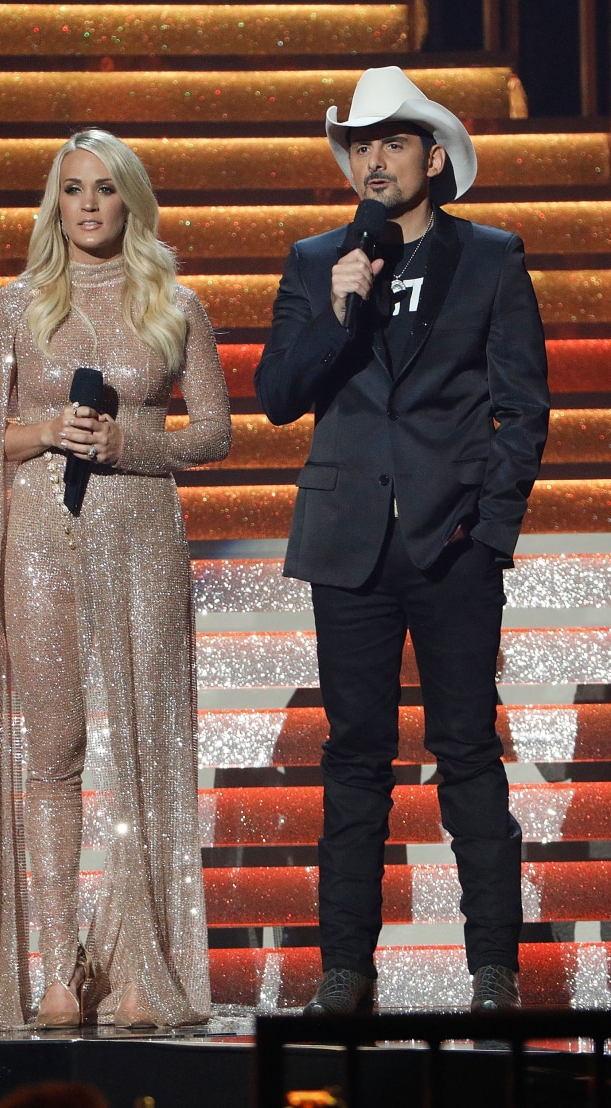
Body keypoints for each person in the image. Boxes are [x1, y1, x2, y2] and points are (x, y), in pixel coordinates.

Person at [254, 67, 550, 1014]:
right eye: (360, 145)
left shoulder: (492, 257)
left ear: (433, 155)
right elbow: (274, 397)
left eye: (392, 142)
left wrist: (490, 529)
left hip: (453, 543)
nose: (373, 160)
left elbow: (524, 408)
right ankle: (346, 973)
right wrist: (341, 314)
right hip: (347, 545)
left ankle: (492, 974)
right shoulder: (316, 262)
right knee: (354, 759)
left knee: (466, 752)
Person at [0, 128, 231, 1030]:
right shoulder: (15, 306)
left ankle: (139, 967)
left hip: (142, 538)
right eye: (73, 190)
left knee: (141, 755)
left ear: (130, 202)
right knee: (55, 752)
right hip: (38, 536)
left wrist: (127, 442)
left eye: (105, 189)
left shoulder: (176, 304)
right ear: (53, 204)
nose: (89, 205)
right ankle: (62, 971)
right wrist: (48, 430)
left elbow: (214, 434)